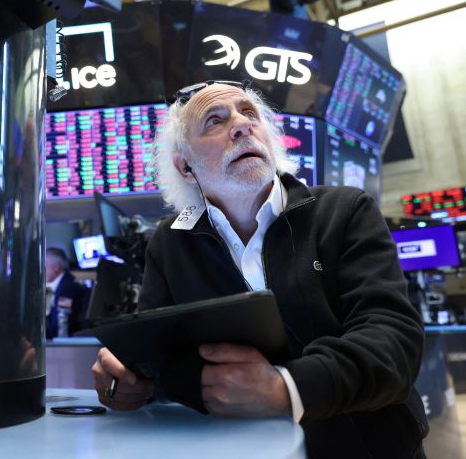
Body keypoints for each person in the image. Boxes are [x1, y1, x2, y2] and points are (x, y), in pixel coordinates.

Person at [91, 81, 428, 458]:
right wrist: (132, 376)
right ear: (185, 167)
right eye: (214, 121)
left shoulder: (345, 211)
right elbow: (162, 358)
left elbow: (394, 341)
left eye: (249, 113)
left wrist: (286, 387)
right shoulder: (170, 242)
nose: (241, 124)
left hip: (369, 447)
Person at [45, 247, 91, 339]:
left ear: (56, 267)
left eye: (43, 265)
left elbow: (61, 328)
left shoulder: (68, 288)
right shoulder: (65, 283)